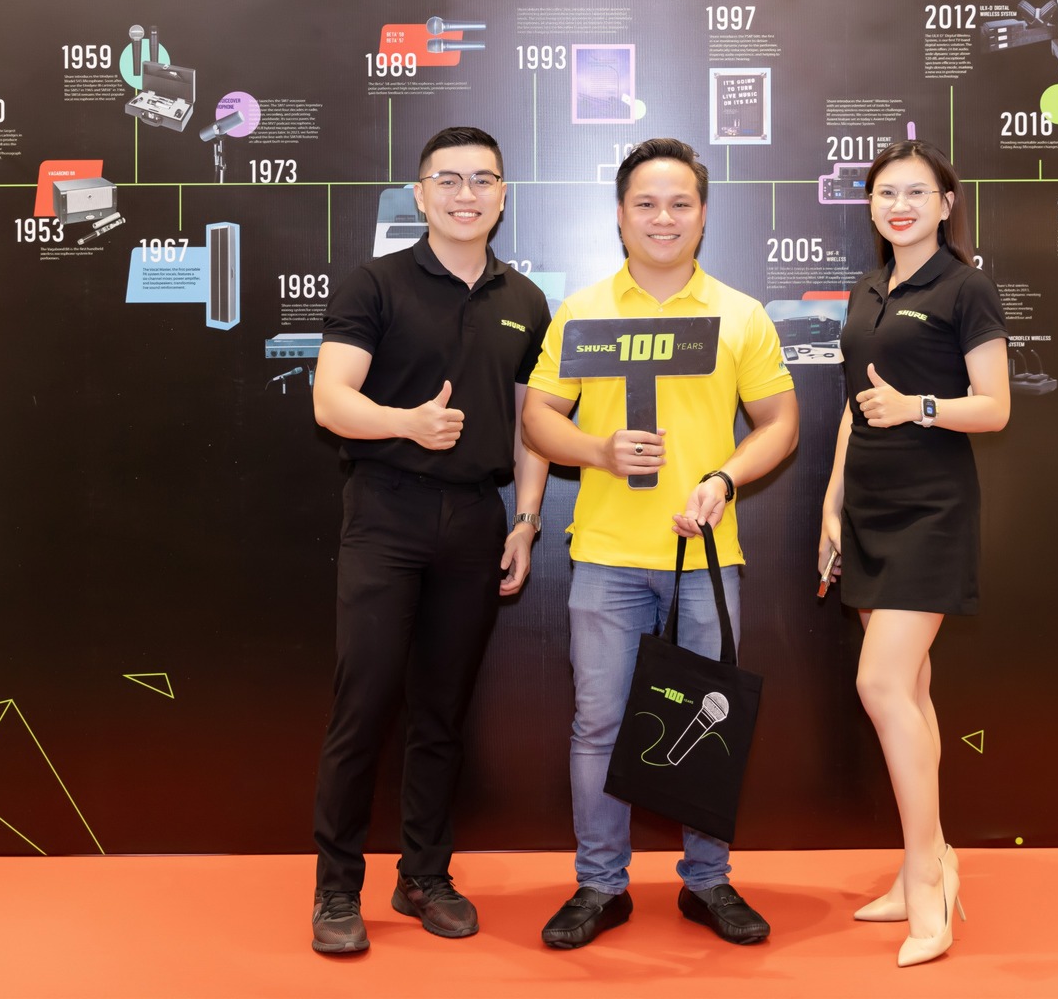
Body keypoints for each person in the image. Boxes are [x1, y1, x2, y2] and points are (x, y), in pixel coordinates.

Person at [522, 137, 800, 949]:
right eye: (646, 203)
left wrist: (725, 478)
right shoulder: (582, 311)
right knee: (600, 726)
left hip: (704, 562)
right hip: (607, 554)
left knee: (711, 722)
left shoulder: (740, 315)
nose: (663, 218)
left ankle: (707, 882)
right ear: (619, 215)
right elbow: (538, 417)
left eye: (680, 203)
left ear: (703, 215)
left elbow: (780, 423)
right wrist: (598, 450)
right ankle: (599, 885)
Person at [307, 126, 552, 955]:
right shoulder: (375, 283)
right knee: (364, 705)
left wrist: (525, 519)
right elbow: (331, 401)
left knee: (442, 713)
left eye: (483, 179)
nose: (465, 194)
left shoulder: (526, 300)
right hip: (387, 513)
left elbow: (532, 423)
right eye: (448, 179)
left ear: (503, 195)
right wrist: (406, 424)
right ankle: (337, 889)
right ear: (420, 194)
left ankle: (423, 876)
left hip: (476, 520)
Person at [816, 140, 1010, 968]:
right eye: (885, 193)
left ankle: (928, 880)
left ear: (945, 204)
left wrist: (919, 407)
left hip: (931, 510)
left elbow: (995, 407)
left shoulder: (966, 288)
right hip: (867, 506)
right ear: (871, 205)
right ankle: (923, 860)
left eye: (916, 193)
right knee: (915, 692)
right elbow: (855, 406)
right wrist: (832, 502)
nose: (899, 206)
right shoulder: (868, 289)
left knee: (882, 684)